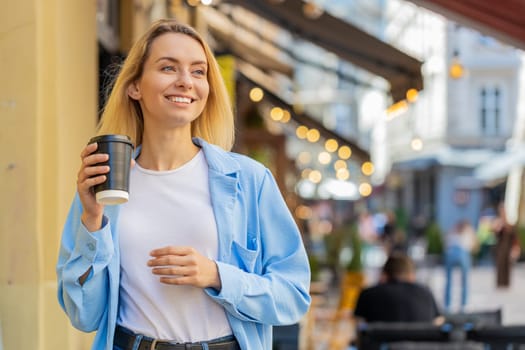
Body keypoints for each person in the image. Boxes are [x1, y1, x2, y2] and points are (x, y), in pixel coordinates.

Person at [56, 19, 311, 350]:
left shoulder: (249, 181)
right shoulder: (104, 183)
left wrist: (216, 275)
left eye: (198, 71)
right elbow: (84, 316)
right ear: (134, 86)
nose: (185, 82)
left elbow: (293, 295)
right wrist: (92, 221)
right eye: (167, 68)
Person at [353, 252, 442, 324]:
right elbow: (438, 322)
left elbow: (359, 326)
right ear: (411, 275)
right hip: (421, 346)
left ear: (384, 275)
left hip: (379, 345)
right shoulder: (426, 293)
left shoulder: (368, 294)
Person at [443, 219, 477, 312]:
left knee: (449, 280)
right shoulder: (468, 232)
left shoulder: (452, 231)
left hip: (451, 252)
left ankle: (447, 304)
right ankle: (463, 304)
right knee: (465, 281)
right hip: (463, 252)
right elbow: (474, 246)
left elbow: (446, 244)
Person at [492, 202, 518, 288]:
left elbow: (514, 236)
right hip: (500, 248)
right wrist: (496, 228)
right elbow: (495, 235)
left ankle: (506, 283)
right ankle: (500, 283)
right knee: (500, 265)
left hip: (508, 247)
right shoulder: (498, 222)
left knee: (507, 265)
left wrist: (515, 248)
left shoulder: (509, 223)